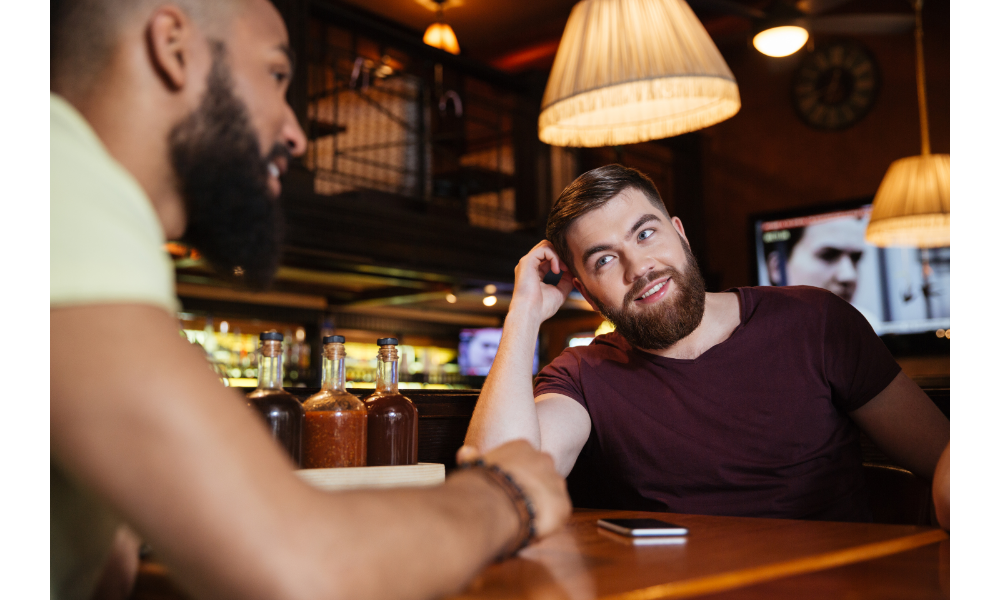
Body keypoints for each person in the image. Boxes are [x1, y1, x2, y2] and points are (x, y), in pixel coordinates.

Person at [50, 2, 570, 599]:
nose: (297, 134)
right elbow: (304, 569)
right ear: (173, 47)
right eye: (276, 75)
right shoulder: (57, 174)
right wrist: (504, 494)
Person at [465, 164, 949, 523]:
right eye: (605, 261)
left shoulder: (815, 320)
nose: (640, 267)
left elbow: (943, 454)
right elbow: (498, 488)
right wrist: (523, 313)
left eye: (646, 233)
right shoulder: (582, 376)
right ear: (586, 293)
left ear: (680, 235)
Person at [766, 216, 868, 303]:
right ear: (778, 268)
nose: (849, 276)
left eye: (855, 258)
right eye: (828, 255)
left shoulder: (870, 324)